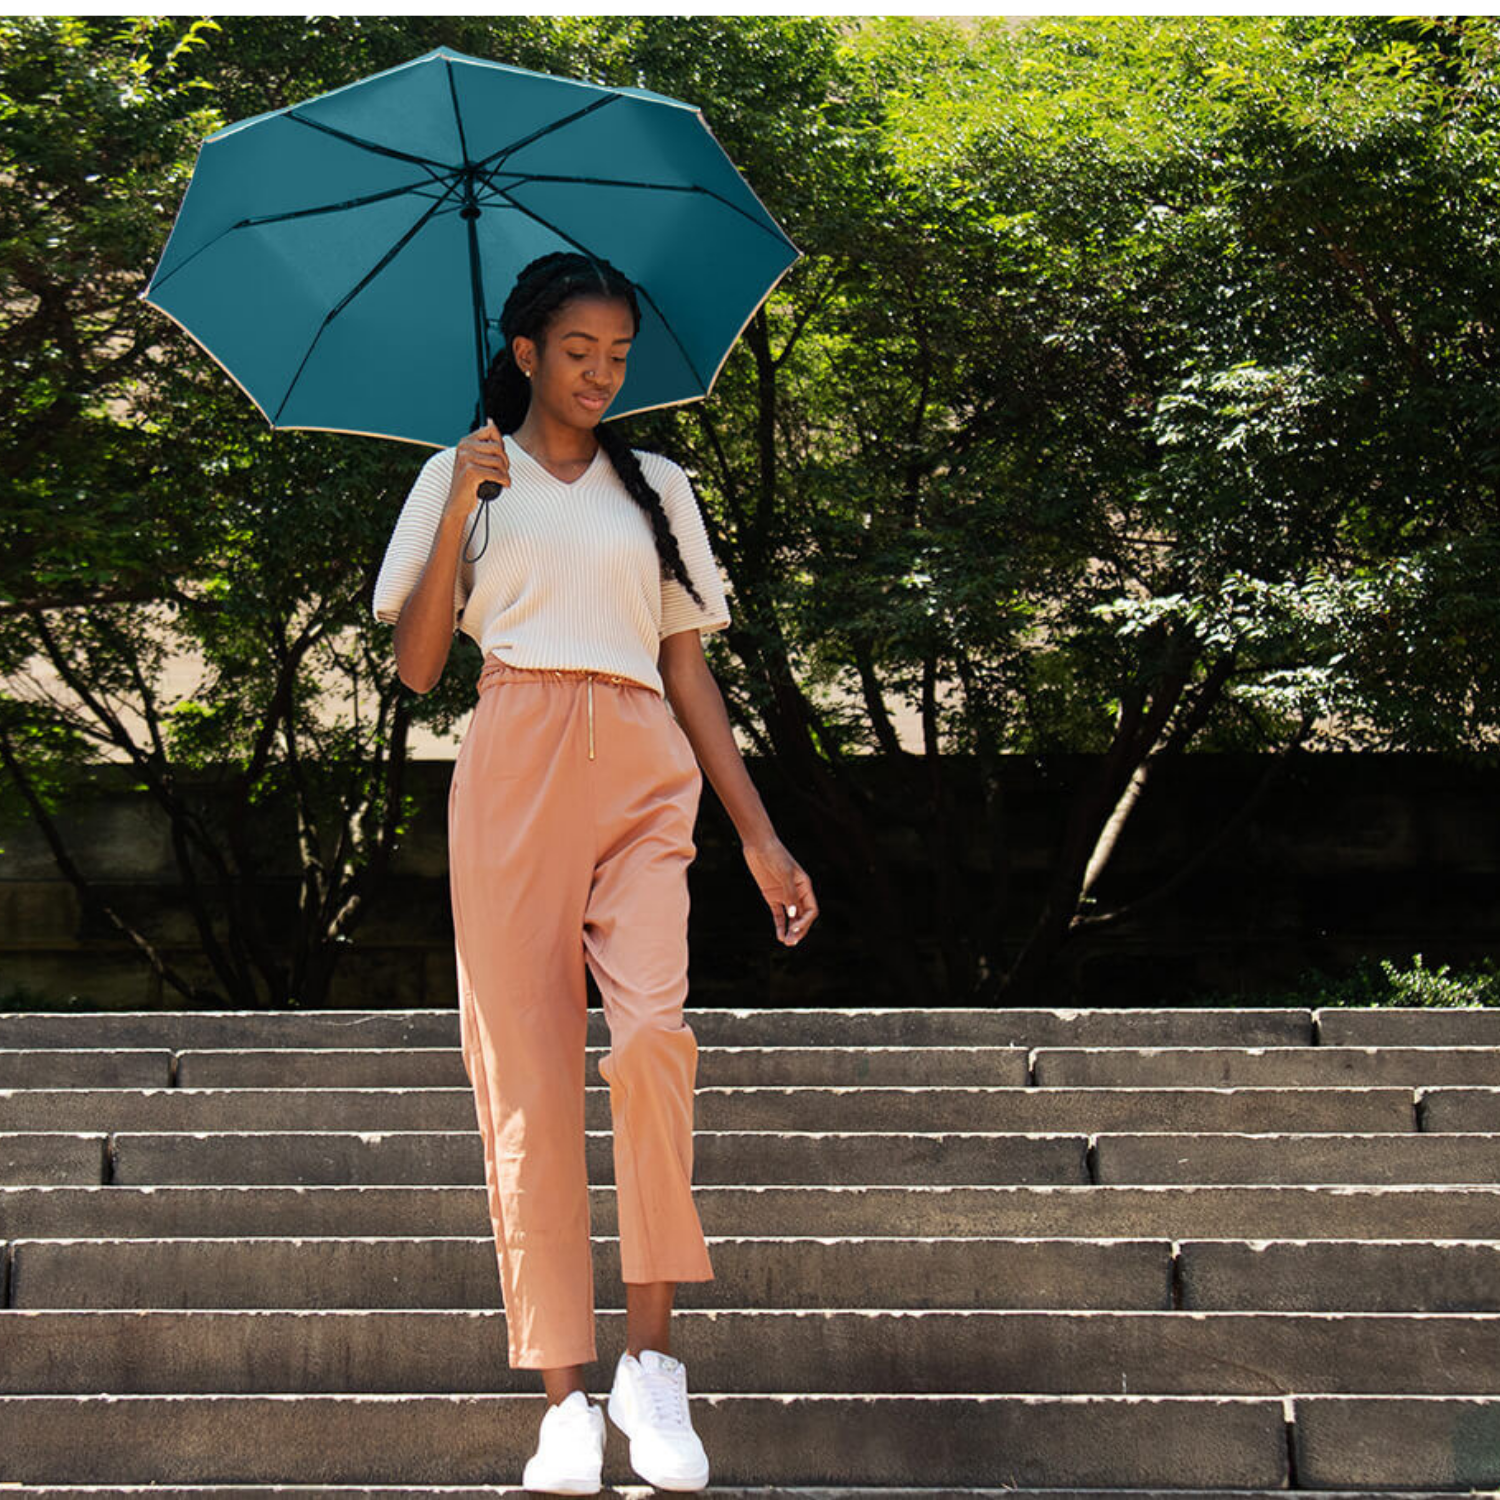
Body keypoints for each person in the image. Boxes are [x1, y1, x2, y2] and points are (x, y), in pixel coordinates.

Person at [371, 250, 818, 1494]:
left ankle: (653, 1367)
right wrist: (463, 498)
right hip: (511, 751)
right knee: (521, 1070)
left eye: (618, 357)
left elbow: (689, 672)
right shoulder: (459, 474)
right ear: (525, 354)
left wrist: (760, 833)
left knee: (653, 1041)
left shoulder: (659, 486)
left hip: (641, 760)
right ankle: (564, 1397)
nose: (601, 375)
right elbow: (414, 669)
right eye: (579, 353)